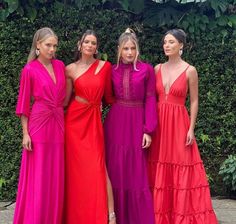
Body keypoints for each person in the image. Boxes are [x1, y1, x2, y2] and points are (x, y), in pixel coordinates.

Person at [148, 29, 218, 223]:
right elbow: (150, 99)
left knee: (181, 166)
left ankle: (180, 215)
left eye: (171, 42)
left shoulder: (190, 70)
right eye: (164, 42)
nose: (166, 45)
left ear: (181, 45)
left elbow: (194, 101)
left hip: (179, 123)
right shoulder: (156, 69)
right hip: (159, 124)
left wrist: (191, 129)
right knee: (158, 165)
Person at [104, 28, 157, 224]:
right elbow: (107, 97)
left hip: (137, 123)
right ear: (118, 49)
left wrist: (148, 130)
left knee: (136, 171)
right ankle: (113, 213)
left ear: (137, 49)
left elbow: (151, 99)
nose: (129, 52)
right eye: (125, 48)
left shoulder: (147, 70)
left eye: (132, 48)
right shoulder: (111, 69)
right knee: (115, 168)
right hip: (116, 123)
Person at [14, 27, 65, 224]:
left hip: (58, 123)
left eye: (54, 46)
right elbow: (23, 106)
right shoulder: (29, 69)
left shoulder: (60, 66)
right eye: (48, 45)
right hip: (39, 125)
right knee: (39, 173)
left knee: (55, 173)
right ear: (38, 45)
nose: (52, 49)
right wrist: (25, 134)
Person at [63, 30, 116, 224]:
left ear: (97, 47)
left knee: (98, 167)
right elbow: (65, 101)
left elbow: (110, 97)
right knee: (75, 172)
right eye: (87, 42)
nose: (90, 45)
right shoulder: (69, 69)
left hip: (93, 122)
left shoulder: (105, 66)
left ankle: (110, 215)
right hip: (74, 123)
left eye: (93, 43)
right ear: (80, 44)